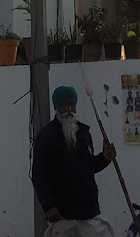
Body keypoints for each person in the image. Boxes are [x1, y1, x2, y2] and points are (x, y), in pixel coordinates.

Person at [32, 84, 118, 237]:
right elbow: (39, 175)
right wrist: (49, 206)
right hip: (63, 215)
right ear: (57, 107)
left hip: (89, 212)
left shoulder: (84, 133)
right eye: (64, 105)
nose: (69, 109)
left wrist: (104, 158)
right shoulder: (46, 137)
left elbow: (88, 167)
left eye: (72, 104)